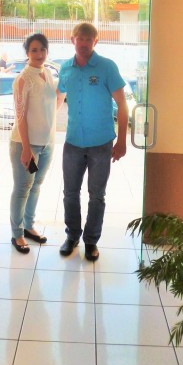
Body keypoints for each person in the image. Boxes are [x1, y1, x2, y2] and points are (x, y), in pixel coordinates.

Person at [56, 22, 128, 261]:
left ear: (96, 41)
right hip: (73, 143)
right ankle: (72, 236)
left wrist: (122, 141)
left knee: (97, 195)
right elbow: (59, 97)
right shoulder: (65, 68)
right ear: (73, 40)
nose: (84, 43)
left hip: (101, 144)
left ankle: (91, 241)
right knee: (70, 193)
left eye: (89, 39)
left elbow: (122, 104)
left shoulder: (107, 67)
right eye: (80, 38)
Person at [9, 33, 62, 253]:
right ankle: (17, 234)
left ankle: (29, 226)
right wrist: (26, 148)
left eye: (42, 49)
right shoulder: (23, 80)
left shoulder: (47, 73)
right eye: (34, 50)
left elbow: (53, 104)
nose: (39, 54)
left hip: (47, 143)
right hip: (26, 145)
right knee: (23, 188)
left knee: (36, 186)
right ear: (27, 53)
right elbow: (20, 116)